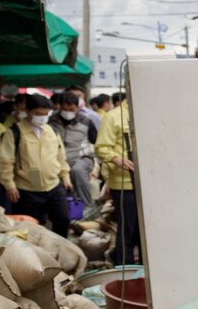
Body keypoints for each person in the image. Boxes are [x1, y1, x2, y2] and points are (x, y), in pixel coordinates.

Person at [0, 94, 73, 236]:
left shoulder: (51, 130)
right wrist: (9, 186)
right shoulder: (14, 132)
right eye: (38, 114)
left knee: (63, 219)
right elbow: (6, 162)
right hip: (27, 190)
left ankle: (60, 251)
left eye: (45, 114)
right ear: (27, 111)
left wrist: (66, 177)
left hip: (54, 186)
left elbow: (60, 156)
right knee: (31, 229)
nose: (42, 118)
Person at [95, 92, 140, 264]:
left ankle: (145, 269)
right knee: (127, 229)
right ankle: (125, 268)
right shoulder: (112, 117)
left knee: (145, 231)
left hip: (149, 184)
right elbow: (102, 148)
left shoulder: (149, 113)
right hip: (124, 184)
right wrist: (117, 159)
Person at [51, 91, 98, 214]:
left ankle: (87, 209)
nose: (68, 112)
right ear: (59, 107)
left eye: (71, 109)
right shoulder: (51, 122)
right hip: (58, 160)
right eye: (65, 109)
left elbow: (96, 143)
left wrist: (96, 166)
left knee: (77, 171)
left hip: (82, 158)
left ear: (77, 108)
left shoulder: (86, 121)